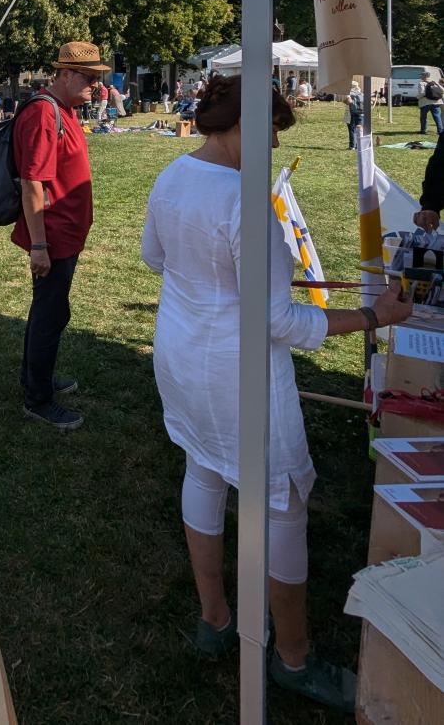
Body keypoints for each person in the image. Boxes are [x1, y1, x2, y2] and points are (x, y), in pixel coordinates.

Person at [141, 74, 412, 711]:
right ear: (240, 125)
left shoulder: (172, 176)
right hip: (238, 376)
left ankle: (216, 619)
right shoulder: (244, 201)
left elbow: (157, 259)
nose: (271, 145)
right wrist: (375, 318)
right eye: (269, 133)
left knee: (203, 471)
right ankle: (292, 656)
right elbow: (279, 322)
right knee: (282, 505)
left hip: (182, 355)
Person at [12, 40, 107, 431]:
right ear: (65, 74)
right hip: (51, 239)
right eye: (89, 78)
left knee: (49, 312)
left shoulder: (63, 110)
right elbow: (32, 182)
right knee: (50, 315)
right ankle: (38, 399)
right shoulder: (42, 113)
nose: (96, 87)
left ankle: (38, 378)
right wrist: (39, 246)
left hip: (64, 236)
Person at [418, 72, 444, 137]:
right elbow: (442, 90)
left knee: (423, 117)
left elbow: (422, 93)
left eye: (421, 75)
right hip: (436, 102)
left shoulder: (421, 83)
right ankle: (440, 131)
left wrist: (417, 97)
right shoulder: (435, 82)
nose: (420, 76)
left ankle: (423, 130)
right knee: (437, 117)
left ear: (424, 76)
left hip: (425, 103)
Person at [344, 80, 364, 149]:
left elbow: (348, 101)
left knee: (352, 129)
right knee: (359, 129)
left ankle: (352, 146)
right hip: (361, 113)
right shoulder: (360, 92)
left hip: (351, 113)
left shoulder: (349, 93)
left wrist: (345, 101)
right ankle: (359, 145)